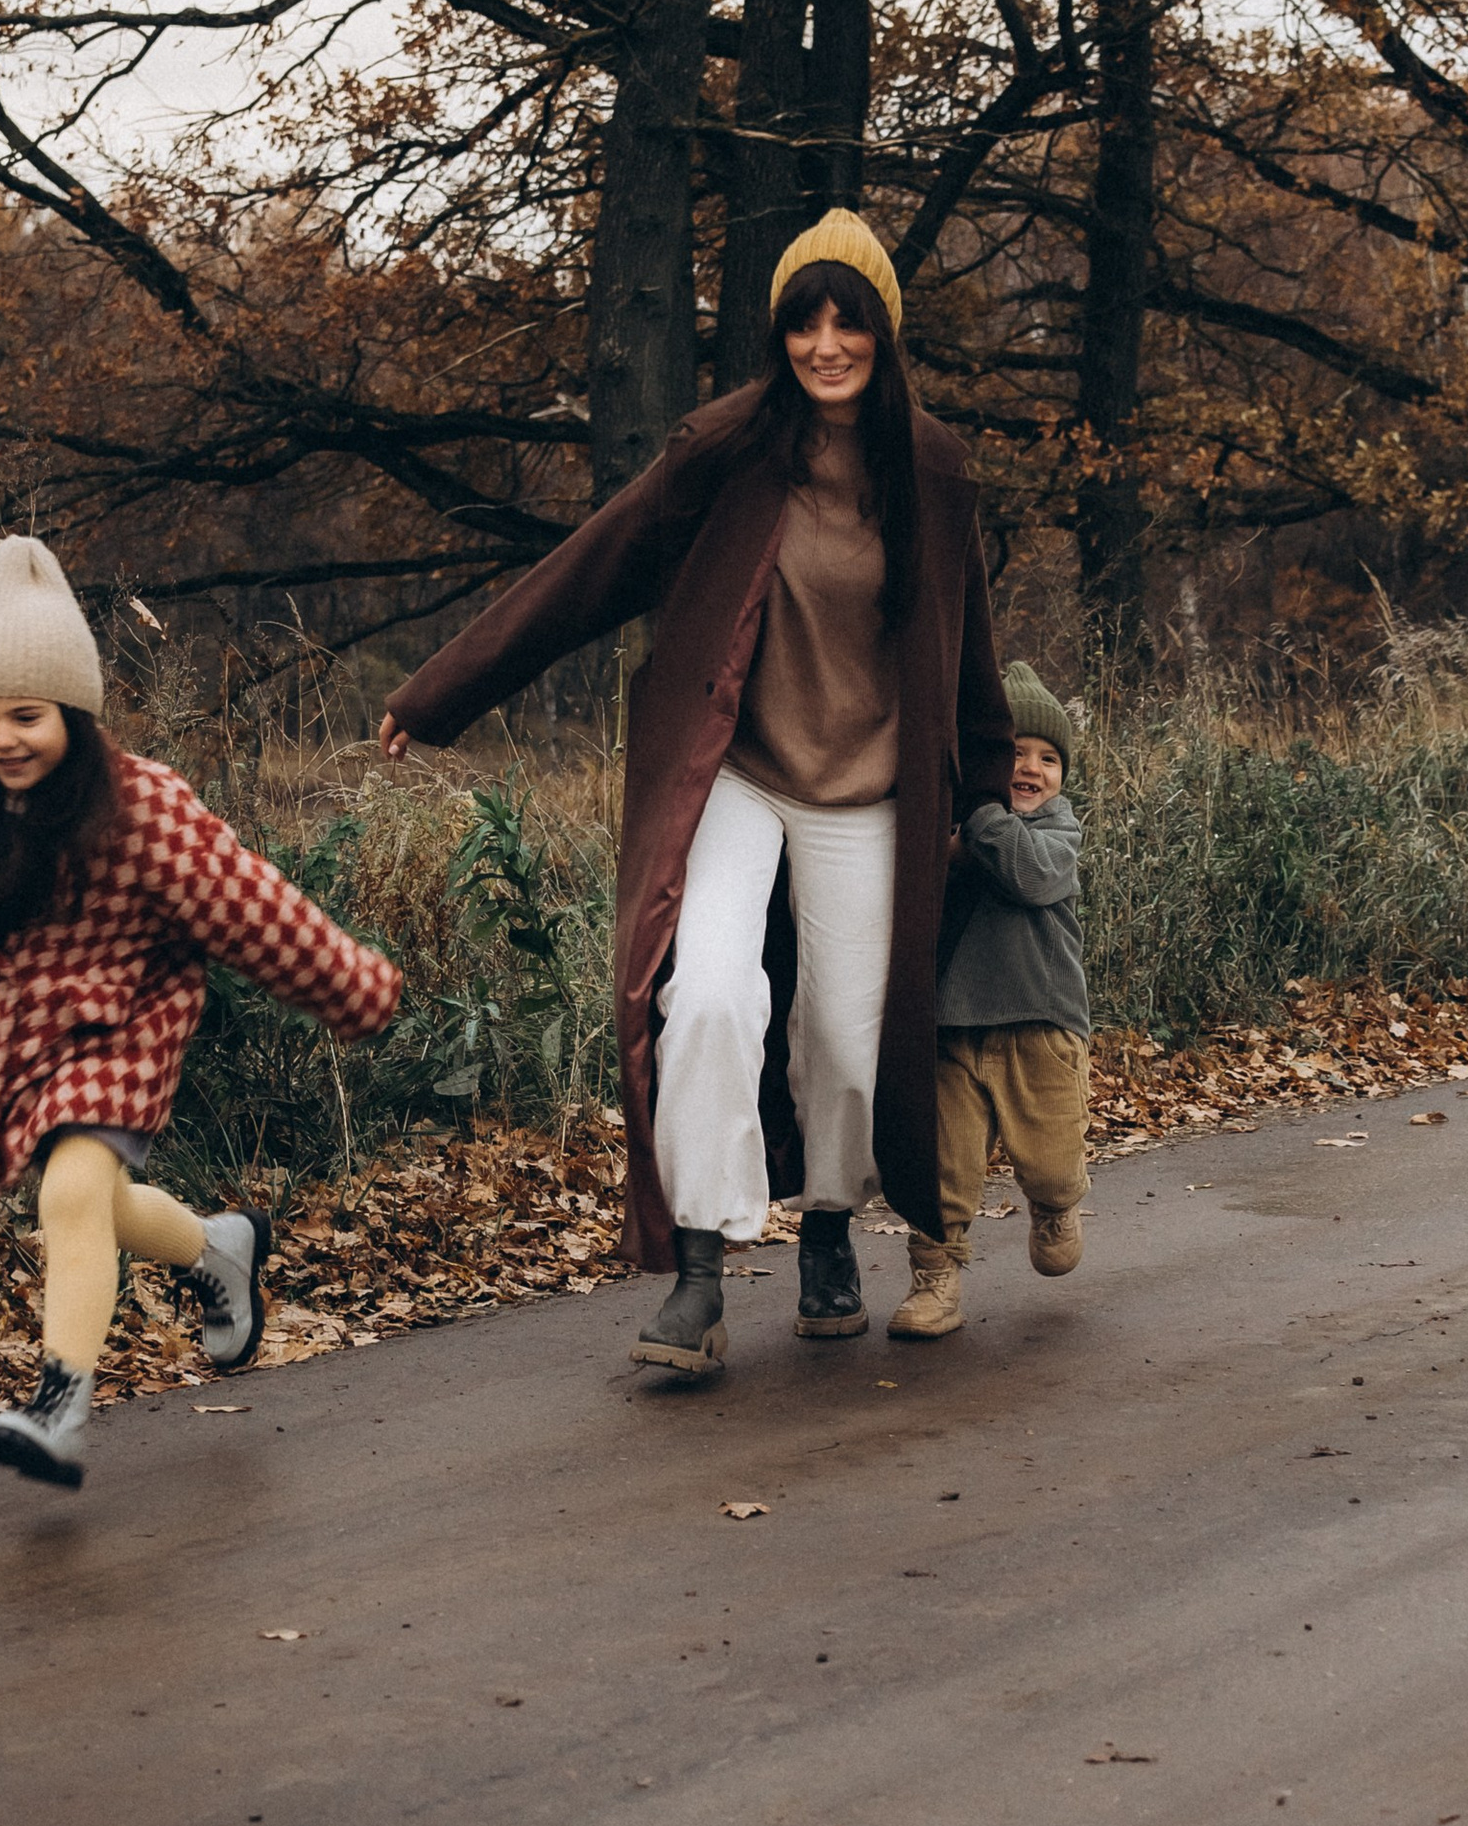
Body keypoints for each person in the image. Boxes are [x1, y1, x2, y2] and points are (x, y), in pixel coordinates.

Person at [379, 211, 1016, 1380]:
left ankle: (828, 1226)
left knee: (846, 1034)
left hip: (868, 793)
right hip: (740, 774)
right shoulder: (727, 451)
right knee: (712, 995)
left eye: (847, 321)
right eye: (802, 324)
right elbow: (592, 568)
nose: (825, 346)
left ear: (883, 331)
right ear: (778, 335)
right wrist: (441, 694)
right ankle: (701, 1271)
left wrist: (988, 794)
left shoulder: (931, 467)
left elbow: (966, 644)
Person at [0, 535, 399, 1489]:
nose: (3, 739)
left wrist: (351, 986)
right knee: (94, 1203)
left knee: (68, 1191)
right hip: (22, 1047)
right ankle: (220, 1253)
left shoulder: (144, 810)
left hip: (131, 1021)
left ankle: (60, 1405)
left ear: (73, 708)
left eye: (27, 715)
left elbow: (254, 907)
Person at [891, 662, 1089, 1343]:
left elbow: (1028, 876)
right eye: (1011, 755)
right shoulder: (948, 829)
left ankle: (1057, 1204)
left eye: (1048, 758)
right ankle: (935, 1279)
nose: (1029, 768)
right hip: (950, 1027)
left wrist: (978, 818)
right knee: (943, 1168)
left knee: (1052, 1157)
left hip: (1041, 1023)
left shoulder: (1059, 834)